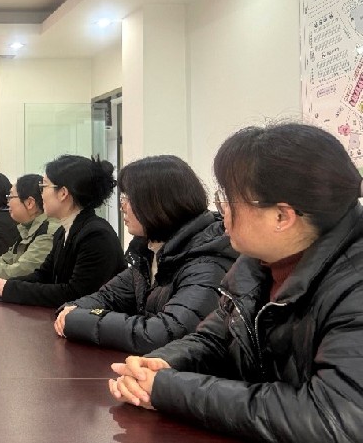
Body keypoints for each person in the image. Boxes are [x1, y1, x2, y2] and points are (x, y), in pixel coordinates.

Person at [109, 123, 363, 442]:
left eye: (228, 199)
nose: (221, 210)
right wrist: (160, 364)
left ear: (282, 217)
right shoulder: (255, 264)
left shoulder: (354, 284)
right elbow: (215, 338)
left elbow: (334, 418)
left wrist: (169, 389)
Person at [53, 155, 237, 353]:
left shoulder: (206, 262)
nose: (122, 206)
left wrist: (79, 319)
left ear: (158, 202)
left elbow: (165, 334)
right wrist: (72, 312)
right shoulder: (147, 252)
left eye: (129, 198)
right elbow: (106, 297)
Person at [0, 155, 124, 306]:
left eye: (44, 186)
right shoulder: (63, 231)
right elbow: (44, 275)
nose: (41, 194)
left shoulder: (96, 236)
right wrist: (4, 284)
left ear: (63, 193)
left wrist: (10, 289)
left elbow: (74, 294)